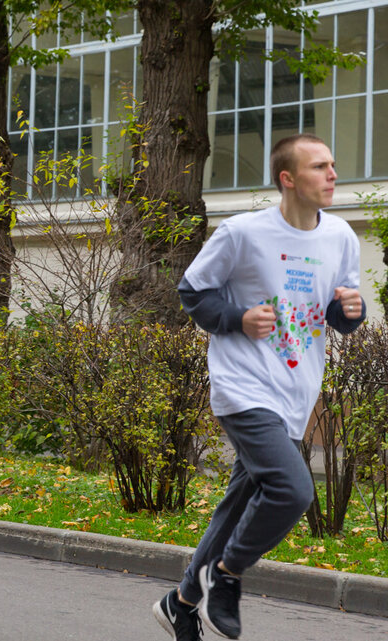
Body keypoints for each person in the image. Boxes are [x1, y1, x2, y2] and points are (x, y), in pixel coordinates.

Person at [153, 134, 365, 641]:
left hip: (295, 391)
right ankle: (224, 577)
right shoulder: (243, 233)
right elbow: (193, 291)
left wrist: (349, 313)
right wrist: (237, 318)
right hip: (243, 388)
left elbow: (338, 314)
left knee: (237, 506)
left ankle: (181, 603)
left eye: (333, 164)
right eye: (319, 166)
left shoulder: (340, 237)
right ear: (288, 179)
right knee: (293, 490)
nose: (332, 174)